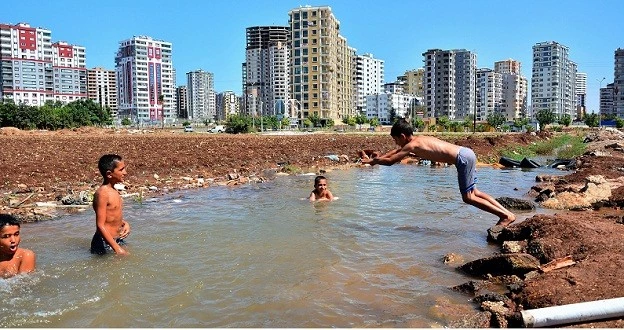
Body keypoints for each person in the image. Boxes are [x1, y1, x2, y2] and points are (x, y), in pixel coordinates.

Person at [362, 119, 516, 227]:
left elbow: (390, 162)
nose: (396, 143)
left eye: (396, 139)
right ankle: (507, 213)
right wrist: (379, 157)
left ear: (402, 136)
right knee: (475, 192)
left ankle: (505, 216)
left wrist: (373, 162)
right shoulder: (419, 139)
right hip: (467, 153)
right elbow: (395, 151)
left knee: (468, 197)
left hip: (462, 159)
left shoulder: (412, 146)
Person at [91, 154, 131, 255]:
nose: (125, 173)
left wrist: (124, 223)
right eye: (121, 170)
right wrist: (117, 249)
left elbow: (111, 217)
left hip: (115, 240)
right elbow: (100, 225)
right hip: (104, 242)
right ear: (109, 174)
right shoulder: (102, 194)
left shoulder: (113, 190)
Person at [0, 214, 36, 278]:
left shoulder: (25, 256)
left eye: (16, 234)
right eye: (6, 236)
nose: (13, 240)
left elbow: (24, 284)